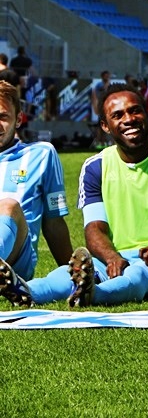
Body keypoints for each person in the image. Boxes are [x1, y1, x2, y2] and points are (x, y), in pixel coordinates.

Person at [16, 84, 148, 308]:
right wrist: (111, 257)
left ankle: (94, 294)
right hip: (117, 258)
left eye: (135, 110)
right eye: (118, 115)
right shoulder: (95, 167)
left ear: (147, 115)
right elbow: (94, 228)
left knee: (139, 275)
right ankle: (24, 290)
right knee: (65, 273)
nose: (129, 119)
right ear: (106, 126)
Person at [0, 82, 73, 306]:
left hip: (15, 259)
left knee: (8, 206)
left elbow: (54, 222)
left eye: (3, 116)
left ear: (19, 119)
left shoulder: (41, 154)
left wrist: (72, 271)